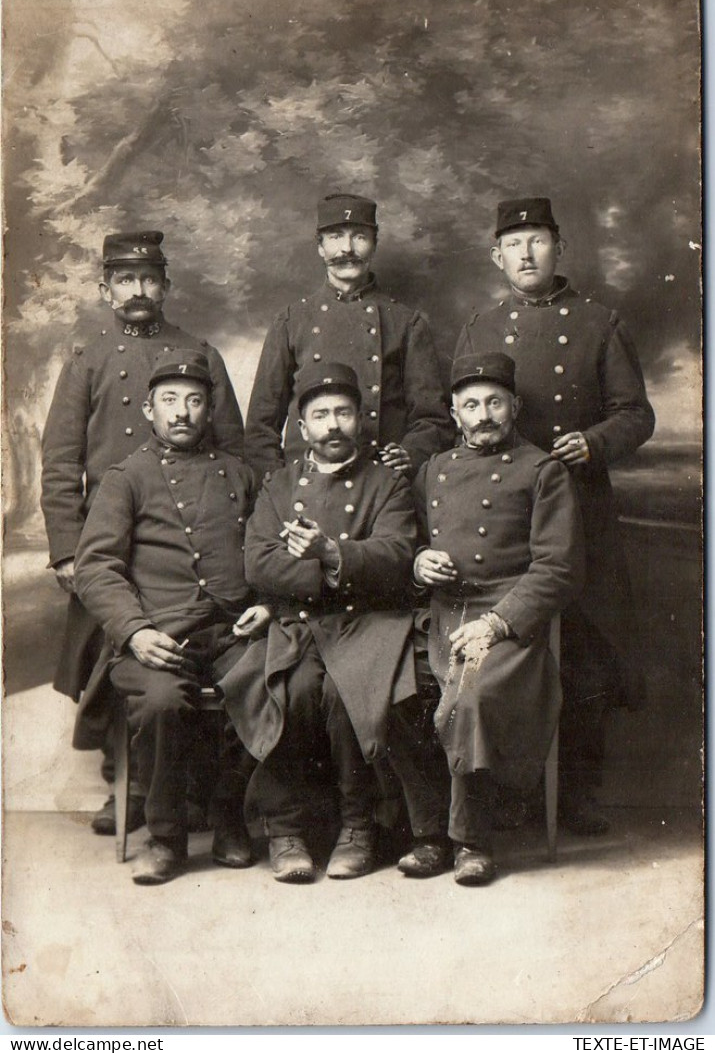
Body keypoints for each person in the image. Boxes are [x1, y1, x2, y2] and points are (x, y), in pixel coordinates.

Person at [456, 198, 656, 834]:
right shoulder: (481, 326)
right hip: (506, 509)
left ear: (558, 247)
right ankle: (515, 791)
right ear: (497, 257)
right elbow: (460, 417)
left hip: (580, 504)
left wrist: (594, 442)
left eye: (537, 241)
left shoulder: (599, 322)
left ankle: (578, 792)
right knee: (515, 643)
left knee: (588, 651)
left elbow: (636, 413)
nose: (526, 254)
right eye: (513, 245)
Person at [41, 231, 245, 835]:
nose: (137, 291)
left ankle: (202, 794)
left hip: (184, 535)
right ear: (107, 289)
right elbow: (60, 461)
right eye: (124, 281)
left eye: (148, 279)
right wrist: (67, 549)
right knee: (119, 661)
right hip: (109, 539)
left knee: (203, 660)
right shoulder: (88, 360)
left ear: (165, 286)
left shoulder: (199, 353)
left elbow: (232, 448)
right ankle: (126, 790)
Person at [73, 350, 269, 884]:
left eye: (194, 400)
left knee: (277, 683)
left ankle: (229, 816)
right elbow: (96, 568)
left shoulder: (240, 475)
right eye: (170, 401)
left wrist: (267, 604)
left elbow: (268, 553)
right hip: (155, 637)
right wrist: (135, 632)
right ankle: (167, 837)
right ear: (149, 410)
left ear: (209, 410)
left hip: (232, 631)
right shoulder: (126, 477)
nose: (182, 412)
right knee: (161, 702)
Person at [219, 363, 418, 883]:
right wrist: (332, 569)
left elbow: (397, 554)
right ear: (302, 428)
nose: (333, 425)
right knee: (293, 688)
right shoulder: (280, 485)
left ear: (361, 420)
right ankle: (286, 829)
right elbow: (257, 562)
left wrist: (330, 551)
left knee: (346, 692)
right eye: (321, 415)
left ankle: (359, 825)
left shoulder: (388, 483)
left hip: (368, 620)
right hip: (299, 621)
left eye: (344, 413)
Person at [394, 352, 584, 884]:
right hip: (440, 611)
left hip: (506, 616)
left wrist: (499, 622)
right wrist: (418, 561)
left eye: (494, 402)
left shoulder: (543, 470)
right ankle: (427, 834)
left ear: (514, 406)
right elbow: (408, 539)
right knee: (384, 688)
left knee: (468, 696)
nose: (483, 414)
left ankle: (470, 842)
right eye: (471, 404)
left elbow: (558, 568)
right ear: (454, 414)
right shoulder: (434, 469)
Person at [244, 193, 453, 482]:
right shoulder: (290, 322)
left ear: (374, 243)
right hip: (306, 483)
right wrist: (277, 487)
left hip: (381, 485)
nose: (347, 249)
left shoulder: (406, 323)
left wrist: (410, 453)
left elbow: (433, 420)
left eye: (359, 237)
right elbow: (260, 426)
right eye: (335, 237)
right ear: (320, 246)